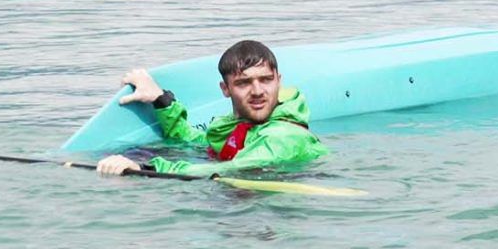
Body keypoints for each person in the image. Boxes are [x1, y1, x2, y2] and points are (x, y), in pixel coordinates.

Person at [95, 39, 328, 178]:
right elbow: (200, 142)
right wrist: (160, 99)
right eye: (243, 83)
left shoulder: (282, 137)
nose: (257, 91)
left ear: (279, 80)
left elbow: (234, 168)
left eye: (265, 80)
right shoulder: (243, 124)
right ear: (225, 89)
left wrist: (145, 168)